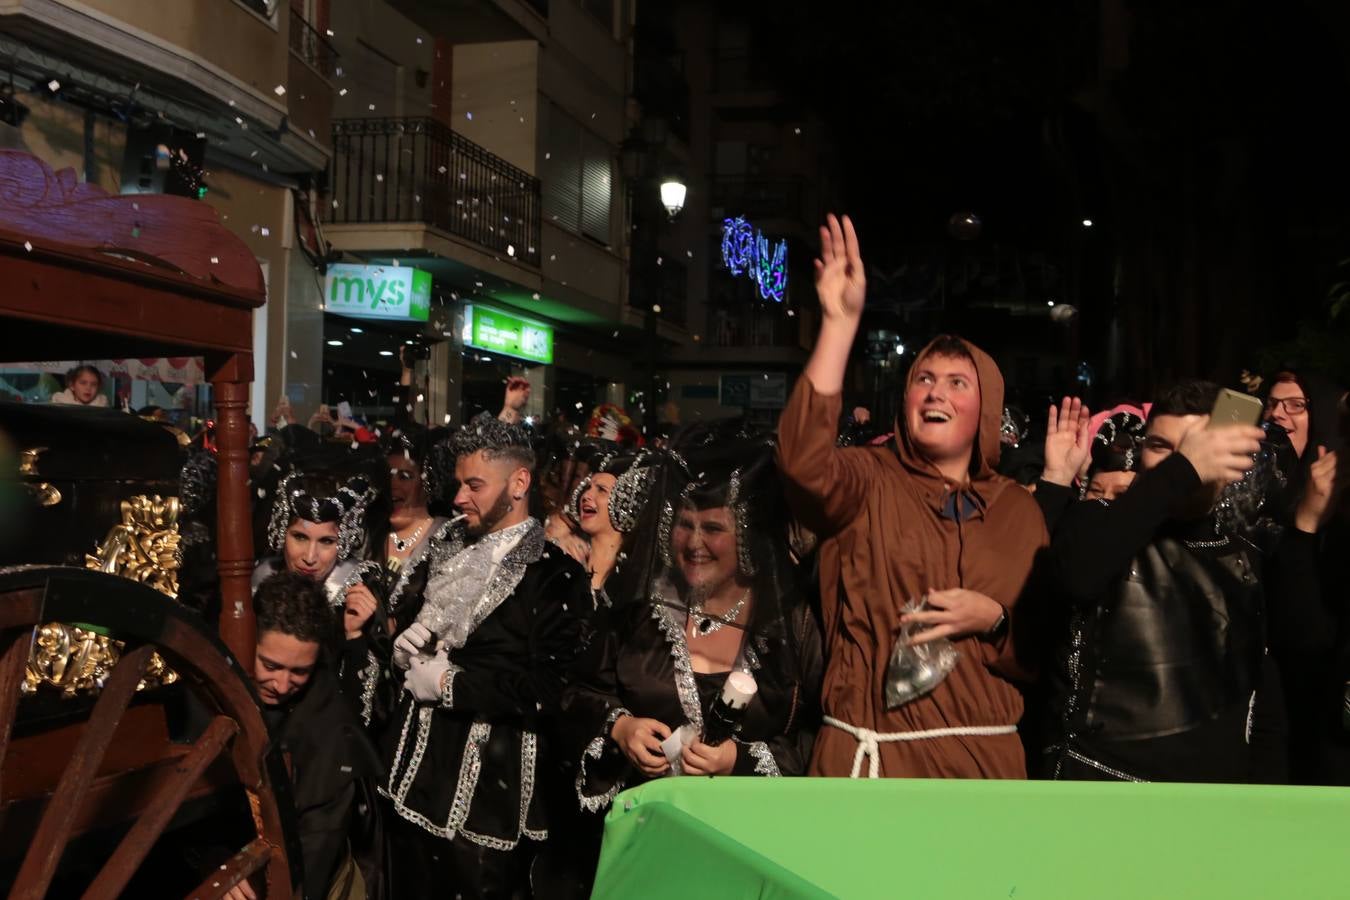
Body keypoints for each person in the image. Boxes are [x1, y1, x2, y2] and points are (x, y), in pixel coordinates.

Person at [777, 214, 1048, 779]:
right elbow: (802, 464)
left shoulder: (1017, 510)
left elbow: (1048, 644)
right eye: (924, 379)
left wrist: (996, 619)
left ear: (986, 409)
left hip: (979, 771)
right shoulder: (867, 478)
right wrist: (839, 327)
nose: (935, 393)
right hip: (869, 763)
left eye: (957, 383)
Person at [561, 439, 821, 896]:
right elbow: (577, 692)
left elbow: (818, 733)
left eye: (713, 528)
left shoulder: (788, 624)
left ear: (746, 534)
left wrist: (737, 759)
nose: (694, 543)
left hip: (751, 851)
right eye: (684, 525)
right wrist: (621, 728)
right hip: (649, 845)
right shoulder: (641, 609)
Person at [379, 413, 589, 898]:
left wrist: (449, 685)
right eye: (459, 484)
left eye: (474, 485)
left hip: (488, 796)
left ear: (519, 483)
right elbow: (403, 630)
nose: (458, 498)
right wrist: (403, 649)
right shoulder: (446, 545)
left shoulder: (554, 575)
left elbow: (551, 690)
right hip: (410, 777)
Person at [1043, 380, 1270, 782]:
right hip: (1101, 786)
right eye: (1161, 446)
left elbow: (1265, 704)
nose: (1183, 458)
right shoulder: (1095, 521)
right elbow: (1078, 575)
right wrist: (1182, 469)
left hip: (1211, 801)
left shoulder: (1248, 558)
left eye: (1195, 447)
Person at [228, 572, 383, 900]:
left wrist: (255, 878)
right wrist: (222, 868)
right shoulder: (212, 688)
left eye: (299, 672)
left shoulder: (329, 730)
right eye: (270, 666)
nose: (282, 686)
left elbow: (315, 849)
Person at [340, 426, 455, 736]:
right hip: (358, 677)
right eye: (389, 474)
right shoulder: (366, 533)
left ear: (428, 482)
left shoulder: (446, 538)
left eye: (405, 476)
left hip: (412, 692)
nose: (394, 484)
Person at [253, 470, 374, 607]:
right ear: (282, 532)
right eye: (300, 537)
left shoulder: (357, 589)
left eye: (326, 541)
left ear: (344, 541)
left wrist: (354, 622)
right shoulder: (257, 583)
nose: (310, 558)